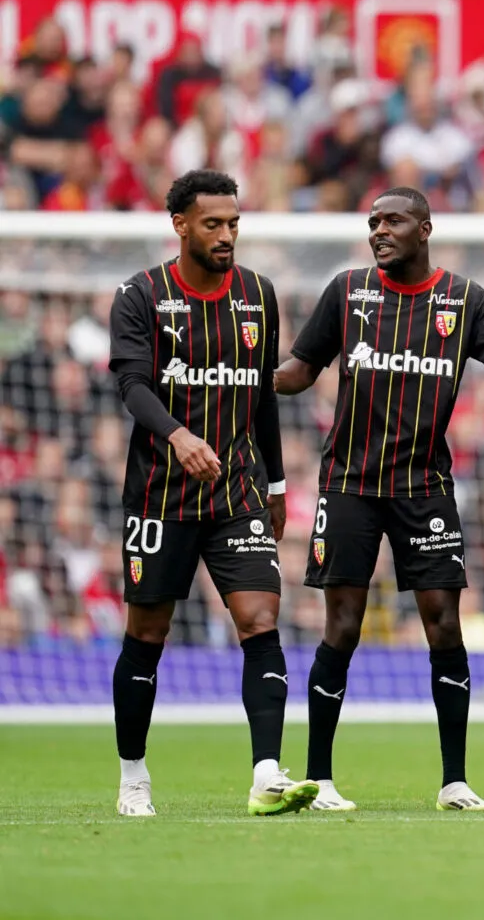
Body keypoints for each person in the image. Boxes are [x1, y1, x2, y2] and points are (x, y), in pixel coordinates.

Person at [272, 186, 484, 812]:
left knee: (443, 625)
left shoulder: (464, 300)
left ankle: (455, 781)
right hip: (349, 484)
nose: (380, 230)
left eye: (393, 221)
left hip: (425, 488)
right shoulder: (348, 290)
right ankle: (320, 778)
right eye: (373, 221)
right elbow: (298, 373)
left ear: (425, 228)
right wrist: (236, 373)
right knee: (343, 627)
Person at [108, 169, 316, 817]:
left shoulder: (258, 294)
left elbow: (261, 400)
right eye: (213, 224)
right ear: (180, 225)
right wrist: (176, 436)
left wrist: (277, 484)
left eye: (233, 223)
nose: (226, 235)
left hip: (238, 491)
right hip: (161, 494)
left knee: (260, 618)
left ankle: (265, 773)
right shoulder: (140, 296)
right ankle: (133, 774)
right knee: (148, 629)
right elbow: (133, 387)